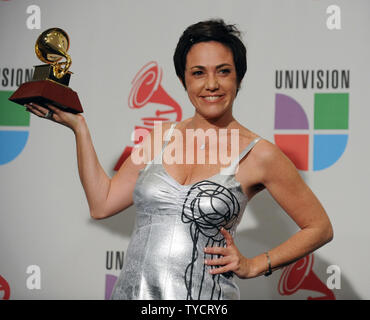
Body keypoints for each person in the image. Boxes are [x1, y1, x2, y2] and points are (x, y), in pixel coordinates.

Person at [25, 19, 333, 300]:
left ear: (239, 77)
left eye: (223, 71)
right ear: (183, 80)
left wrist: (255, 265)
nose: (211, 84)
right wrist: (80, 128)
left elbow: (318, 227)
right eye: (198, 73)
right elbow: (101, 203)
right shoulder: (159, 138)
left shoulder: (259, 153)